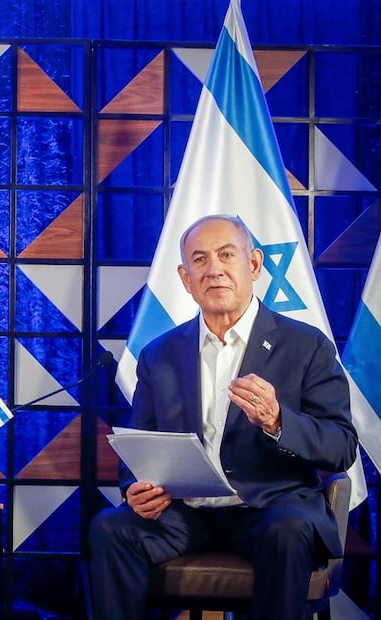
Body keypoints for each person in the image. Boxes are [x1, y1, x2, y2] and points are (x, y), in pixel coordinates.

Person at [88, 214, 358, 620]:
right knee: (110, 528)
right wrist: (135, 489)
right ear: (185, 276)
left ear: (253, 265)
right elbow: (138, 448)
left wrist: (278, 421)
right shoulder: (159, 354)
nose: (213, 269)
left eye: (226, 255)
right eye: (200, 259)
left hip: (271, 510)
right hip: (184, 513)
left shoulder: (306, 346)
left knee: (287, 531)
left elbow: (341, 446)